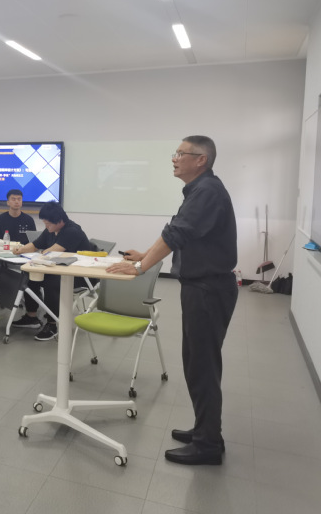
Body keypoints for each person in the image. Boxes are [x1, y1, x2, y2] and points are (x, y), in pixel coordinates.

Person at [107, 135, 237, 466]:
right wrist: (145, 255)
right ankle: (205, 430)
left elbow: (175, 234)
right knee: (195, 362)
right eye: (175, 153)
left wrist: (140, 268)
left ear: (201, 160)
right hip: (200, 287)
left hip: (208, 289)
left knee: (203, 365)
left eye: (181, 153)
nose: (174, 158)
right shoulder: (200, 190)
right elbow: (175, 231)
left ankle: (208, 445)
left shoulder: (207, 191)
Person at [11, 201, 95, 340]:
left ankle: (52, 324)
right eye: (45, 223)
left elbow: (51, 252)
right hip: (61, 270)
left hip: (80, 275)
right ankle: (31, 316)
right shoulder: (51, 229)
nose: (46, 226)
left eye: (48, 223)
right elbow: (35, 244)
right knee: (29, 275)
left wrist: (39, 254)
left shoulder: (72, 231)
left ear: (60, 221)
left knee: (52, 281)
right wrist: (21, 249)